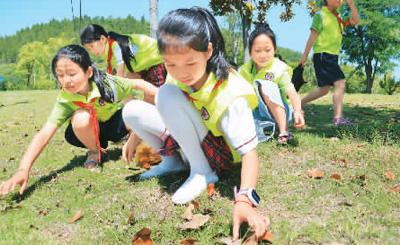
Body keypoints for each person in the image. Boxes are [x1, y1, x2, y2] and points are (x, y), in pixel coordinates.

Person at [122, 7, 268, 240]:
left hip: (222, 156)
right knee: (131, 110)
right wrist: (134, 137)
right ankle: (172, 162)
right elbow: (172, 111)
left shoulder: (230, 91)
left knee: (166, 95)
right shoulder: (178, 75)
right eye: (171, 64)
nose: (181, 73)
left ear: (208, 51)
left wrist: (243, 200)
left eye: (190, 63)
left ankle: (203, 172)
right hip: (195, 141)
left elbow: (250, 154)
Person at [0, 44, 157, 196]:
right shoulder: (65, 100)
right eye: (60, 75)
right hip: (90, 132)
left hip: (117, 125)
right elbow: (44, 134)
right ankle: (95, 152)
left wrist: (162, 98)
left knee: (132, 108)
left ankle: (135, 140)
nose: (66, 80)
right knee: (80, 117)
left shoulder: (107, 83)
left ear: (88, 72)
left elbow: (139, 84)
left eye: (72, 74)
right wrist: (23, 169)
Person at [239, 23, 305, 144]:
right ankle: (259, 129)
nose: (263, 55)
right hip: (257, 115)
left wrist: (297, 111)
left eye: (267, 50)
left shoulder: (278, 68)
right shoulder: (244, 70)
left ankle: (283, 131)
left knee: (264, 84)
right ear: (250, 51)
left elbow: (292, 92)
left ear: (274, 49)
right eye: (257, 51)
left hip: (281, 115)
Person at [299, 0, 360, 126]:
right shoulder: (320, 15)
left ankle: (299, 103)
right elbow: (312, 36)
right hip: (323, 55)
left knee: (324, 89)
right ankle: (338, 119)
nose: (340, 0)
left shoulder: (338, 17)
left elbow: (355, 21)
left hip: (331, 57)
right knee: (340, 82)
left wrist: (352, 5)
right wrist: (304, 55)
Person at [80, 24, 167, 87]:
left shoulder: (115, 45)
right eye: (89, 49)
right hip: (144, 67)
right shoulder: (108, 54)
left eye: (92, 46)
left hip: (156, 60)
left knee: (156, 95)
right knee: (131, 85)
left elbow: (120, 67)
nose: (92, 51)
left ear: (102, 39)